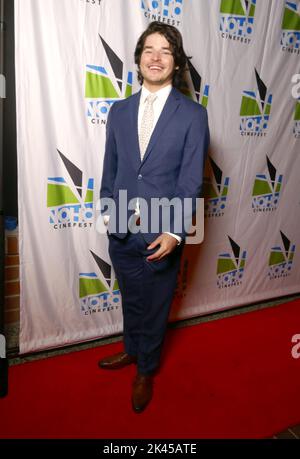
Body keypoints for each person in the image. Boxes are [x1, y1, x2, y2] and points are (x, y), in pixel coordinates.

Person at [98, 21, 210, 413]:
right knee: (131, 298)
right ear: (139, 57)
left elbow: (191, 181)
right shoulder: (119, 110)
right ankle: (131, 349)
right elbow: (110, 169)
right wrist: (109, 214)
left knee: (157, 305)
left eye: (165, 50)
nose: (156, 57)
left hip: (162, 232)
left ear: (176, 61)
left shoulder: (193, 115)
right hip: (122, 231)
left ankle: (146, 369)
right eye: (149, 49)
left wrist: (176, 234)